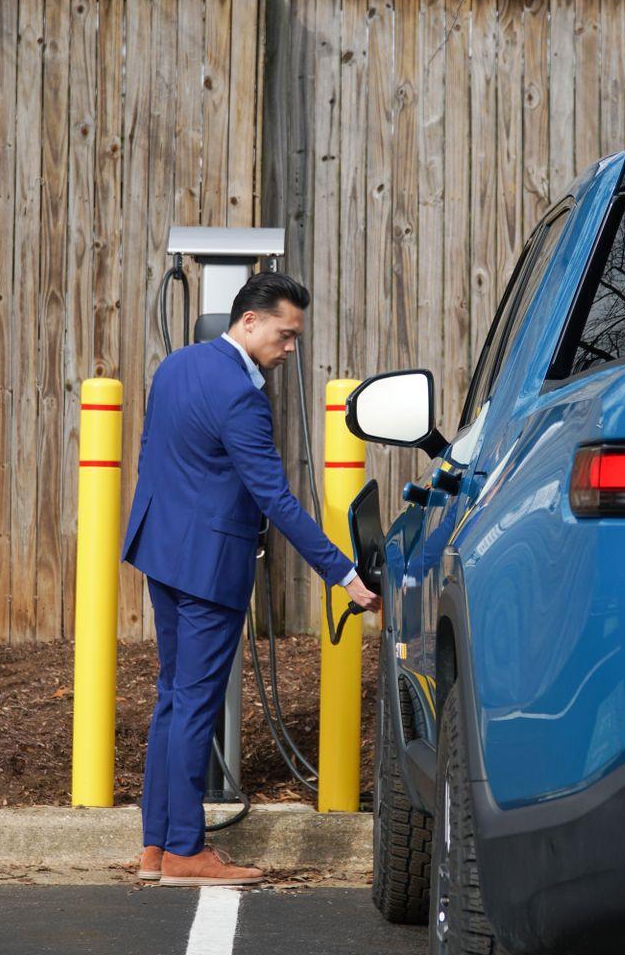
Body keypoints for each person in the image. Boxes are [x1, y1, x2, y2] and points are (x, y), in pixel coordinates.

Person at [122, 272, 381, 887]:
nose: (291, 347)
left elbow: (155, 451)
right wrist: (343, 573)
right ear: (249, 321)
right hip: (209, 565)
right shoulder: (242, 395)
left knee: (172, 697)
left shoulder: (176, 366)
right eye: (286, 334)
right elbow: (277, 498)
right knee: (195, 705)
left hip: (161, 549)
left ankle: (156, 846)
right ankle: (186, 851)